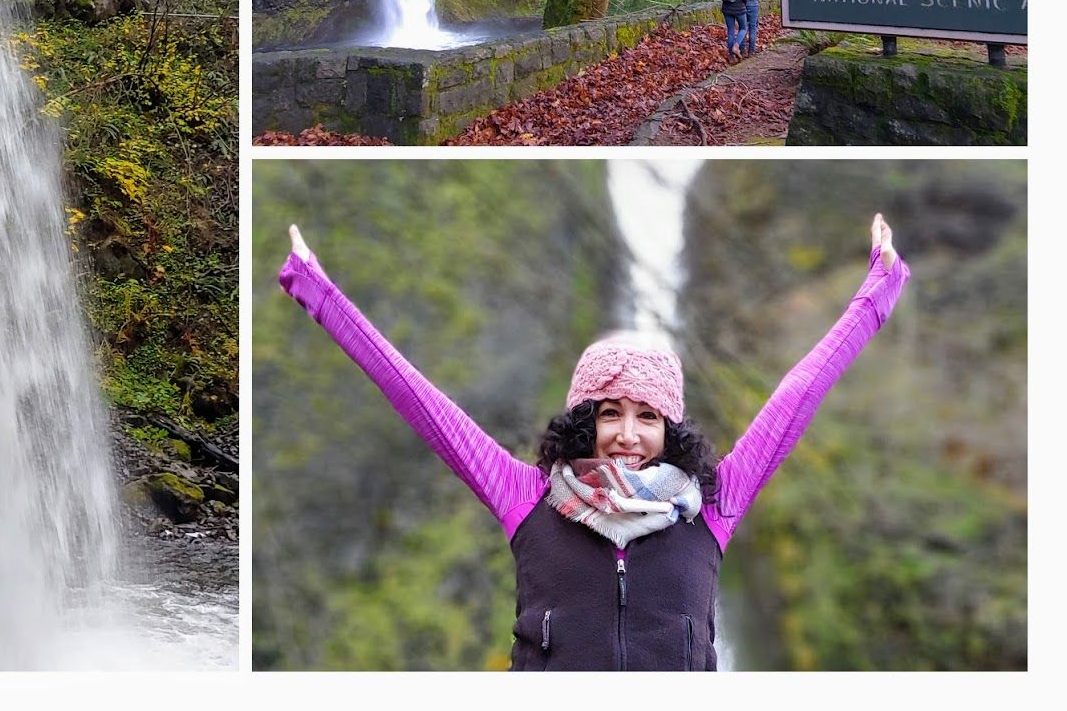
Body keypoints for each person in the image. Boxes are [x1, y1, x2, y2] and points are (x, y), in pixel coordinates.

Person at [279, 213, 907, 671]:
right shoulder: (525, 496)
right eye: (611, 413)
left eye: (647, 417)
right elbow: (415, 397)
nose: (628, 435)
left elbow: (801, 391)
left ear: (671, 430)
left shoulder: (715, 504)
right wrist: (317, 290)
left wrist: (877, 292)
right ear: (585, 420)